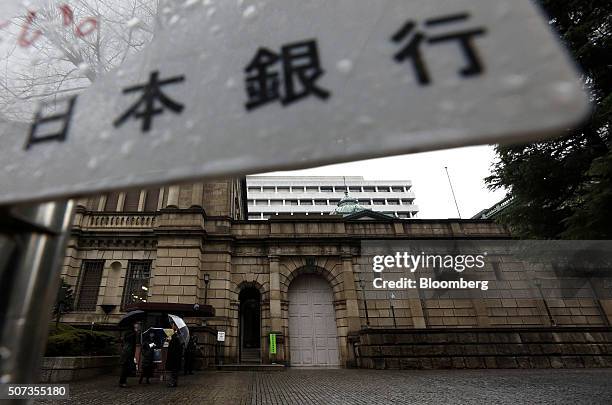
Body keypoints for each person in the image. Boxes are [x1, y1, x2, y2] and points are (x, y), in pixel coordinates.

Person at [118, 323, 138, 388]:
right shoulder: (131, 333)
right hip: (127, 352)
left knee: (126, 368)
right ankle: (122, 382)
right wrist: (135, 333)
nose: (137, 325)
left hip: (128, 352)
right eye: (136, 324)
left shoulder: (130, 333)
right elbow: (129, 341)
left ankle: (123, 381)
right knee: (125, 368)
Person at [165, 323, 183, 387]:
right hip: (171, 353)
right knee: (172, 368)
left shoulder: (179, 334)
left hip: (176, 354)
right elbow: (167, 342)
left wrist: (172, 339)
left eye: (174, 325)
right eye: (172, 325)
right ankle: (173, 382)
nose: (173, 326)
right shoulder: (171, 334)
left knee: (175, 369)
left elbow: (180, 344)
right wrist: (168, 340)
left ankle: (173, 382)